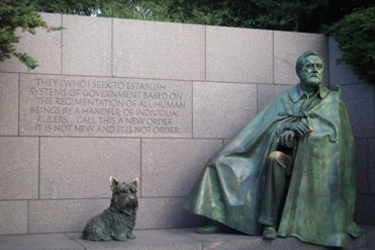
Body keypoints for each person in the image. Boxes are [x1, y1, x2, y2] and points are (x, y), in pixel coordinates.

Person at [183, 51, 365, 247]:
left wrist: (300, 134)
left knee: (275, 158)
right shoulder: (287, 98)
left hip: (312, 166)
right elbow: (264, 125)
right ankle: (232, 218)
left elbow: (337, 140)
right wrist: (282, 128)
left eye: (318, 66)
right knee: (225, 163)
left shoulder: (333, 100)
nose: (314, 70)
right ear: (299, 72)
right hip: (285, 158)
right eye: (309, 67)